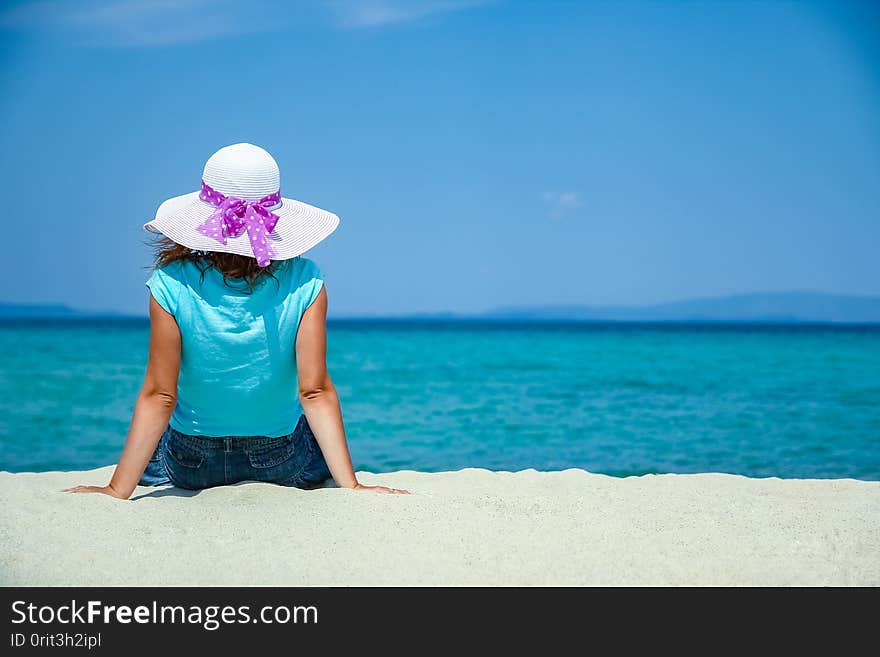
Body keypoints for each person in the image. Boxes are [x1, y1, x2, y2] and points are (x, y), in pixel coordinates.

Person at [67, 143, 407, 498]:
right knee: (308, 436)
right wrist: (351, 485)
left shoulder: (169, 281)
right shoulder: (306, 280)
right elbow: (314, 391)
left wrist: (117, 489)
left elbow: (160, 395)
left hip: (192, 463)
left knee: (162, 443)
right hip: (277, 460)